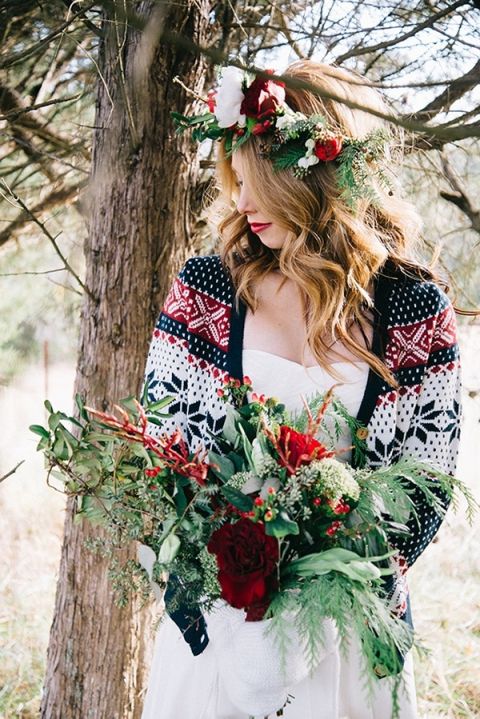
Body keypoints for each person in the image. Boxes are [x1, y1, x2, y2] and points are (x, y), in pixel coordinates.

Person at [140, 60, 462, 719]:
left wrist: (320, 578)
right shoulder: (204, 292)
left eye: (262, 181)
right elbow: (164, 457)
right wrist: (239, 585)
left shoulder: (414, 309)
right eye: (238, 178)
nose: (243, 202)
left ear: (320, 173)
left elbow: (426, 482)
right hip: (219, 634)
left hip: (347, 629)